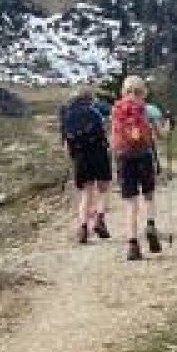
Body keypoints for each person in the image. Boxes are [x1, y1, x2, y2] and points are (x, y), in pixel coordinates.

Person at [109, 75, 167, 260]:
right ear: (145, 92)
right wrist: (168, 124)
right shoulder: (149, 109)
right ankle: (150, 224)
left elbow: (114, 138)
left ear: (122, 91)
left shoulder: (116, 109)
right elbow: (162, 135)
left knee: (130, 203)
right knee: (148, 194)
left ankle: (133, 245)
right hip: (144, 155)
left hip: (124, 158)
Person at [58, 85, 113, 244]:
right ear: (90, 98)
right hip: (99, 154)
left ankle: (83, 228)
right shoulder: (95, 112)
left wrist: (72, 158)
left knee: (86, 194)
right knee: (103, 190)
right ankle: (99, 220)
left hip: (81, 158)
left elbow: (66, 144)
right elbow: (105, 131)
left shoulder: (67, 116)